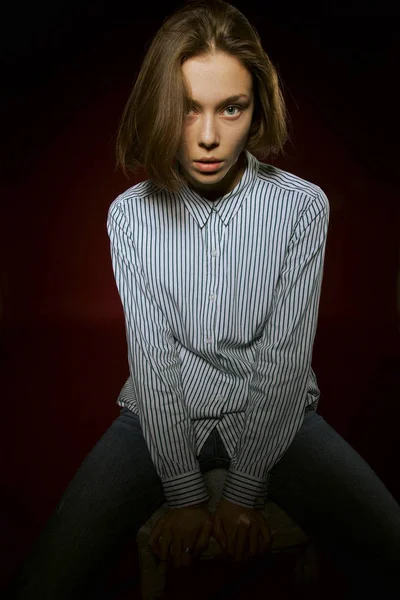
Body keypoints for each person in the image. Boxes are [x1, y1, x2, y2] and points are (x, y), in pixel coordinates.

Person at [6, 1, 400, 598]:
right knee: (45, 580)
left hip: (277, 418)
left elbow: (283, 363)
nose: (209, 136)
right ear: (160, 108)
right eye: (188, 109)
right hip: (156, 420)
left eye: (231, 108)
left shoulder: (302, 207)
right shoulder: (131, 215)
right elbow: (155, 362)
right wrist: (185, 495)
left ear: (256, 108)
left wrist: (244, 491)